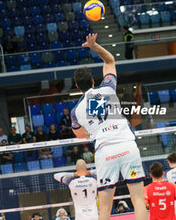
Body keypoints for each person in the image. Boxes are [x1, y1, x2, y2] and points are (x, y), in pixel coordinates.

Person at [71, 33, 148, 220]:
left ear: (76, 86)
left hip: (105, 152)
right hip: (126, 145)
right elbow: (110, 60)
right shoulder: (107, 88)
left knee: (105, 207)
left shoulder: (75, 111)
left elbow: (80, 136)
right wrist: (93, 46)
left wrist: (93, 128)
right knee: (138, 198)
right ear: (92, 81)